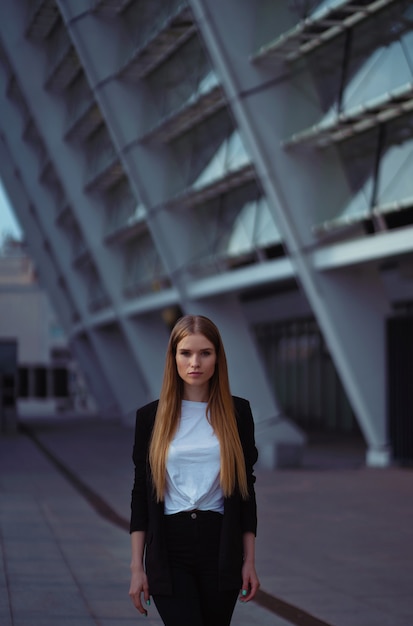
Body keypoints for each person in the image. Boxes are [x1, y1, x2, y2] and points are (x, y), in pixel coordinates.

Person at [129, 314, 260, 625]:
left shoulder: (237, 413)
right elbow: (139, 493)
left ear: (217, 358)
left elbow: (245, 491)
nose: (195, 362)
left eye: (205, 353)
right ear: (173, 357)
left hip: (221, 548)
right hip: (169, 550)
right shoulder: (151, 417)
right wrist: (137, 567)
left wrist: (250, 561)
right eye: (185, 353)